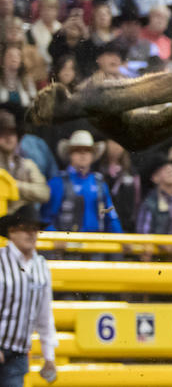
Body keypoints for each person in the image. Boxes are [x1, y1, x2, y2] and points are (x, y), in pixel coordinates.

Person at [0, 204, 57, 386]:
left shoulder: (41, 266)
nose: (32, 234)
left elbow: (44, 315)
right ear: (12, 232)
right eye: (25, 229)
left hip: (18, 354)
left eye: (35, 229)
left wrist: (49, 356)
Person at [40, 131, 123, 233]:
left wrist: (121, 240)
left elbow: (111, 216)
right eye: (77, 150)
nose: (83, 154)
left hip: (96, 244)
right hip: (66, 245)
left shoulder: (100, 184)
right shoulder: (57, 183)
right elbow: (46, 219)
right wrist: (55, 238)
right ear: (70, 154)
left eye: (87, 150)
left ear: (92, 155)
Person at [0, 110, 46, 210]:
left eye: (12, 133)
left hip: (21, 220)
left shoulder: (28, 165)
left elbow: (44, 193)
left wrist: (14, 186)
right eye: (3, 134)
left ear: (18, 136)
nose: (8, 138)